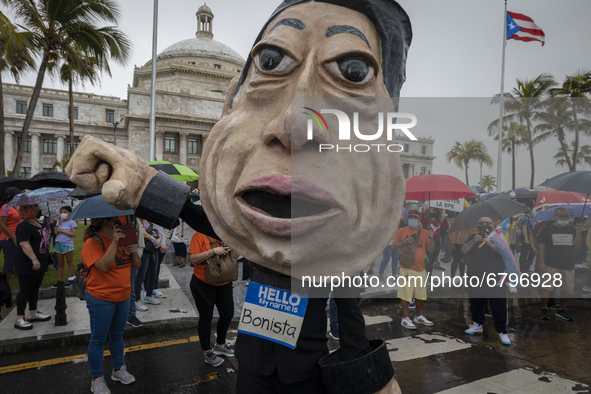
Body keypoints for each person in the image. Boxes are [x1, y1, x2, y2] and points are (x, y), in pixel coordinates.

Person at [66, 0, 414, 392]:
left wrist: (368, 375)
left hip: (307, 374)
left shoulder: (330, 250)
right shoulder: (255, 234)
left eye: (352, 71)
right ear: (233, 97)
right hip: (253, 366)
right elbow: (208, 218)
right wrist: (145, 184)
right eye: (271, 61)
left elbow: (350, 311)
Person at [81, 217, 141, 393]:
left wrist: (134, 251)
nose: (121, 222)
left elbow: (136, 264)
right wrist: (114, 242)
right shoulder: (92, 243)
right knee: (98, 339)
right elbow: (103, 266)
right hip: (101, 298)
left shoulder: (124, 240)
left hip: (123, 297)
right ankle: (97, 378)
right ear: (105, 222)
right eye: (117, 220)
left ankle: (118, 369)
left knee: (117, 335)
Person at [461, 216, 511, 345]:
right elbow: (464, 250)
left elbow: (505, 253)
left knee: (498, 304)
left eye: (487, 223)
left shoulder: (499, 237)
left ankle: (502, 331)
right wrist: (473, 241)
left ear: (492, 225)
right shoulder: (473, 236)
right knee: (476, 301)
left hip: (495, 277)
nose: (484, 224)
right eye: (481, 223)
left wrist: (490, 243)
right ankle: (477, 325)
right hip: (475, 275)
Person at [188, 231, 235, 367]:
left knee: (227, 314)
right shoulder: (199, 235)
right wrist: (213, 251)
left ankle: (220, 345)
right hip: (203, 283)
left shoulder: (227, 234)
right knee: (206, 317)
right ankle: (207, 352)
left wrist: (232, 249)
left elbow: (237, 256)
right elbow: (193, 259)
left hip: (224, 281)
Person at [536, 208, 585, 321]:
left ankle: (561, 309)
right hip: (550, 263)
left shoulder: (572, 229)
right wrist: (541, 262)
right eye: (561, 216)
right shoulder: (547, 229)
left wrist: (579, 232)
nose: (564, 218)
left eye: (566, 216)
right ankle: (544, 308)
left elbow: (576, 246)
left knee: (567, 288)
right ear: (554, 217)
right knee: (546, 286)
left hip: (568, 264)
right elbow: (542, 246)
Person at [391, 209, 435, 330]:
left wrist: (432, 238)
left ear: (419, 220)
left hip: (421, 269)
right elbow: (393, 245)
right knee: (405, 294)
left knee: (420, 295)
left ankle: (418, 315)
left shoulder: (425, 232)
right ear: (408, 219)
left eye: (415, 218)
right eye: (410, 217)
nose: (413, 220)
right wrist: (405, 241)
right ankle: (405, 318)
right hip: (406, 268)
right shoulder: (402, 231)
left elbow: (431, 250)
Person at [13, 204, 51, 330]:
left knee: (34, 288)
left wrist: (49, 226)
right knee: (25, 290)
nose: (38, 210)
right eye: (36, 208)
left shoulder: (37, 224)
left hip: (40, 262)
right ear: (30, 211)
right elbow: (24, 243)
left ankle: (33, 313)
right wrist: (34, 259)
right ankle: (19, 318)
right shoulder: (23, 226)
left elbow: (45, 237)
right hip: (28, 263)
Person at [136, 218, 162, 307]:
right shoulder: (138, 220)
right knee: (141, 275)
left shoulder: (150, 221)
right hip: (145, 250)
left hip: (154, 250)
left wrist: (159, 241)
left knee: (153, 274)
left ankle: (149, 296)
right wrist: (153, 240)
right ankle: (136, 300)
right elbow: (143, 233)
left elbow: (158, 232)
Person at [52, 205, 77, 287]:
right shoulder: (60, 221)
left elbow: (73, 234)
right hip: (58, 244)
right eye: (61, 212)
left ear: (69, 213)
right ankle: (59, 281)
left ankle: (70, 280)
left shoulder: (72, 222)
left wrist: (62, 230)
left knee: (70, 262)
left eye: (65, 212)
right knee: (60, 264)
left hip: (67, 244)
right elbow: (56, 232)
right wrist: (57, 223)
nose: (63, 214)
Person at [0, 187, 21, 283]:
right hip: (8, 238)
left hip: (17, 237)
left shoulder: (17, 207)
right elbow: (1, 224)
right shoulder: (5, 207)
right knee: (9, 262)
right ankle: (5, 285)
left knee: (18, 261)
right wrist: (13, 237)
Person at [378, 218, 406, 282]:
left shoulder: (400, 230)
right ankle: (380, 275)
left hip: (396, 245)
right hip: (388, 245)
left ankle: (394, 275)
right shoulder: (390, 227)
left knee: (395, 260)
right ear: (398, 225)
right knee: (386, 259)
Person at [422, 207, 447, 273]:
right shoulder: (427, 220)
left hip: (437, 240)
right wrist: (423, 212)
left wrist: (445, 218)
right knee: (428, 258)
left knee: (433, 257)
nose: (433, 212)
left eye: (434, 211)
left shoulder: (440, 221)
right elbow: (421, 219)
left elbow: (446, 226)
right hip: (428, 240)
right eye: (431, 210)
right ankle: (424, 272)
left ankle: (429, 275)